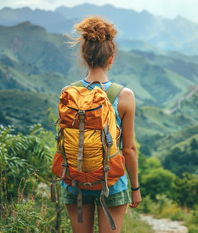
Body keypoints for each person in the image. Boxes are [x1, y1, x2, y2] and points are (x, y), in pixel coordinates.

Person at [60, 16, 141, 233]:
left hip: (75, 179)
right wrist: (135, 188)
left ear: (84, 57)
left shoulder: (68, 92)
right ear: (111, 58)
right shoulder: (124, 96)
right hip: (112, 183)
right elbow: (129, 149)